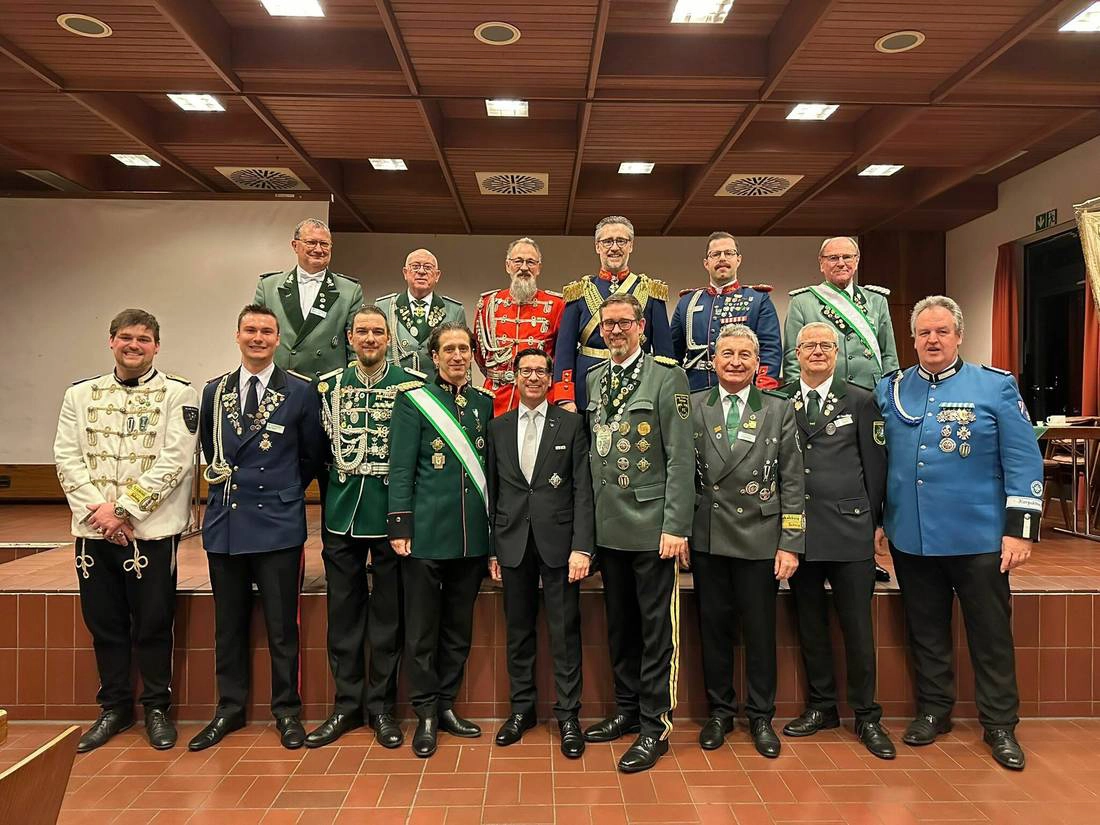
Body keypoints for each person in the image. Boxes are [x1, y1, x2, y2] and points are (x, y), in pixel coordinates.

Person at [874, 295, 1043, 771]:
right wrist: (880, 520)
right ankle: (934, 711)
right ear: (912, 339)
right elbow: (883, 460)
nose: (933, 340)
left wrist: (1020, 531)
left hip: (979, 538)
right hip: (913, 535)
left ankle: (1000, 724)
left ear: (959, 336)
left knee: (990, 635)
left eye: (942, 331)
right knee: (926, 631)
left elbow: (1023, 459)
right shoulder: (892, 389)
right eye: (924, 333)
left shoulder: (995, 387)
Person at [54, 308, 198, 753]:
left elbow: (176, 460)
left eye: (144, 339)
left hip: (150, 530)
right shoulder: (80, 394)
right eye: (126, 337)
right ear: (111, 341)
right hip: (94, 530)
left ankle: (156, 708)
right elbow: (67, 457)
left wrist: (124, 510)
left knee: (154, 622)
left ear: (157, 346)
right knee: (105, 623)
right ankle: (114, 708)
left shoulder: (179, 393)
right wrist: (102, 514)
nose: (134, 345)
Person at [190, 304, 326, 752]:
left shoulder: (300, 391)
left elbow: (311, 455)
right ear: (237, 335)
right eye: (250, 330)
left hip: (277, 524)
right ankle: (229, 709)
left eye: (267, 331)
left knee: (283, 627)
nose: (258, 338)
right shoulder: (215, 391)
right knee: (227, 626)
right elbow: (211, 449)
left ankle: (287, 711)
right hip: (227, 521)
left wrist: (284, 491)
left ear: (277, 339)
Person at [582, 293, 693, 773]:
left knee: (655, 631)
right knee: (621, 627)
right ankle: (626, 710)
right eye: (607, 324)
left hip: (652, 529)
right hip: (609, 527)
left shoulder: (667, 377)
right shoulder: (594, 378)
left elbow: (681, 457)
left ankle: (655, 725)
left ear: (641, 327)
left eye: (623, 322)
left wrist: (676, 525)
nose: (615, 330)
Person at [305, 306, 424, 750]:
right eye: (362, 332)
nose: (370, 338)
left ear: (389, 339)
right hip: (342, 513)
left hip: (393, 517)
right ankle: (346, 705)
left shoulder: (413, 386)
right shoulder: (328, 386)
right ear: (349, 338)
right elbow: (316, 452)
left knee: (389, 618)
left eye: (378, 332)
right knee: (343, 615)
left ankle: (381, 708)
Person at [777, 322, 894, 759]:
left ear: (837, 352)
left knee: (857, 628)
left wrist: (877, 521)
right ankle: (821, 707)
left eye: (826, 345)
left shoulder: (861, 400)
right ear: (796, 353)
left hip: (850, 529)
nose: (818, 352)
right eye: (809, 346)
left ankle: (867, 715)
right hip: (801, 532)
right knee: (810, 625)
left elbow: (876, 465)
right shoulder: (780, 400)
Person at [689, 324, 804, 758]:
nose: (735, 362)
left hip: (760, 536)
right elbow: (681, 474)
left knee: (759, 632)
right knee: (714, 629)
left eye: (744, 355)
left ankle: (760, 715)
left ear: (758, 363)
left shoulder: (777, 408)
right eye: (727, 354)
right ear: (713, 361)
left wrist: (791, 541)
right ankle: (719, 712)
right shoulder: (693, 405)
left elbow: (792, 480)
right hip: (709, 535)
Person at [387, 322, 494, 757]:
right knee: (422, 631)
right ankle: (426, 712)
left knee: (457, 629)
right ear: (434, 357)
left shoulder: (484, 403)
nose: (457, 356)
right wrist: (400, 525)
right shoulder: (414, 400)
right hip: (426, 536)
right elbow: (400, 468)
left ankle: (447, 704)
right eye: (448, 349)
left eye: (463, 349)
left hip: (471, 538)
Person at [485, 347, 594, 758]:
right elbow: (494, 492)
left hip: (560, 546)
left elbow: (583, 490)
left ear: (550, 379)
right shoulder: (498, 427)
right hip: (512, 543)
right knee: (518, 632)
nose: (533, 377)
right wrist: (492, 550)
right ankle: (522, 710)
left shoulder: (572, 424)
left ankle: (568, 716)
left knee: (565, 634)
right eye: (525, 370)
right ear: (514, 377)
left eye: (540, 371)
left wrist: (582, 547)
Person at [553, 216, 672, 411]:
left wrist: (664, 394)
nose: (614, 247)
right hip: (587, 388)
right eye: (607, 241)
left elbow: (664, 355)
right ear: (597, 246)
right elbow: (564, 350)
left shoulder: (650, 291)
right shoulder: (579, 292)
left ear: (631, 246)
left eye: (621, 241)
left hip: (640, 384)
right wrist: (565, 397)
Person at [254, 218, 364, 379]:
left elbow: (355, 345)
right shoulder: (268, 287)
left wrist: (351, 382)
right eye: (311, 242)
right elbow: (256, 338)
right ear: (295, 245)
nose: (318, 249)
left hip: (327, 384)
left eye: (324, 244)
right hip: (279, 382)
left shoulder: (350, 291)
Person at [672, 232, 781, 391]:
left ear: (738, 260)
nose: (722, 258)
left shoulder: (758, 300)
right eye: (715, 254)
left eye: (729, 253)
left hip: (743, 391)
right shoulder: (687, 302)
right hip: (695, 391)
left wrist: (763, 392)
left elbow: (770, 350)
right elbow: (673, 354)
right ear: (706, 263)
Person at [783, 236, 898, 388]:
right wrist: (797, 395)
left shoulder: (876, 300)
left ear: (856, 261)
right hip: (823, 392)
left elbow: (889, 356)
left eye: (847, 257)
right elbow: (792, 357)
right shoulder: (802, 302)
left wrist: (890, 393)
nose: (841, 263)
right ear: (821, 263)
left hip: (872, 392)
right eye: (833, 258)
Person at [474, 238, 565, 415]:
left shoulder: (556, 305)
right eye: (518, 261)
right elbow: (480, 355)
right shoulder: (487, 304)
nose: (524, 267)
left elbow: (562, 356)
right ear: (508, 266)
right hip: (497, 397)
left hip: (540, 397)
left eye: (530, 262)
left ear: (539, 268)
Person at [376, 248, 466, 379]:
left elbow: (463, 357)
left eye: (428, 267)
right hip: (396, 384)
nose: (421, 271)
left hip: (438, 386)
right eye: (415, 266)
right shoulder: (384, 307)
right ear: (405, 273)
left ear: (437, 275)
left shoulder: (454, 310)